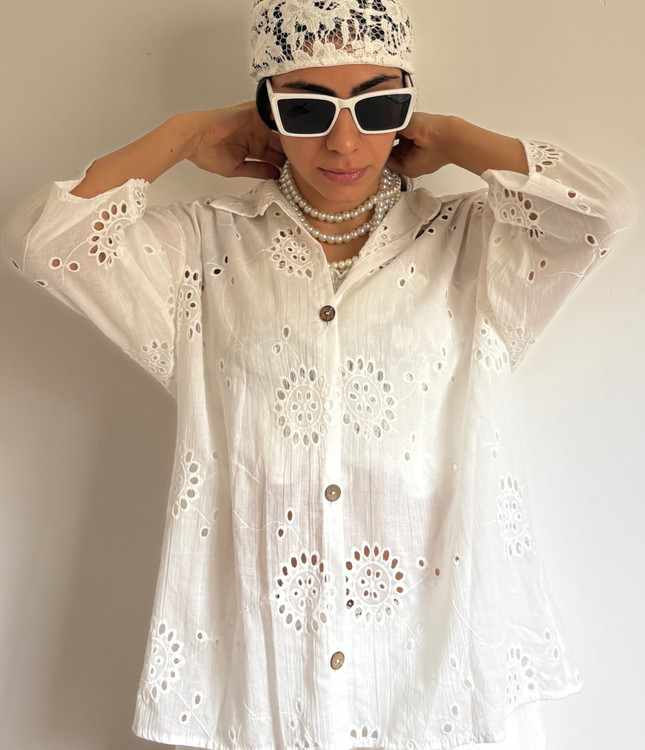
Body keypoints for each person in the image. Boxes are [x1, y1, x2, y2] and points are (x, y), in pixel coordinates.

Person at [4, 1, 634, 748]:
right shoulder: (201, 248)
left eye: (377, 106)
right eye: (305, 109)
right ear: (266, 115)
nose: (343, 141)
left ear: (405, 112)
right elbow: (42, 242)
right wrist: (185, 134)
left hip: (438, 666)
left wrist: (453, 139)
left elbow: (600, 213)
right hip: (267, 658)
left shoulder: (475, 241)